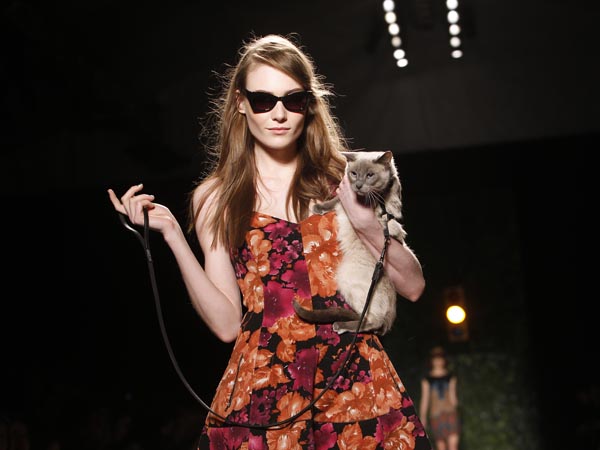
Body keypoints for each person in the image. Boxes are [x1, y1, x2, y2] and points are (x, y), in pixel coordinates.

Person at [108, 33, 431, 449]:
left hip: (355, 382)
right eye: (263, 100)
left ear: (308, 105)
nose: (279, 114)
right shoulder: (217, 197)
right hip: (266, 387)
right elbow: (227, 324)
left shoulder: (345, 175)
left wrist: (365, 223)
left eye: (293, 100)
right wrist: (172, 233)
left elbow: (413, 285)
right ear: (240, 103)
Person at [418, 347, 460, 450]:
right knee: (441, 447)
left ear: (444, 360)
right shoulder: (427, 379)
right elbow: (425, 400)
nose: (438, 361)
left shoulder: (451, 376)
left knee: (453, 445)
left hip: (450, 413)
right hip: (436, 415)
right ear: (431, 360)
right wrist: (423, 418)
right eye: (435, 358)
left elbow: (453, 396)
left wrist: (458, 408)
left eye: (440, 358)